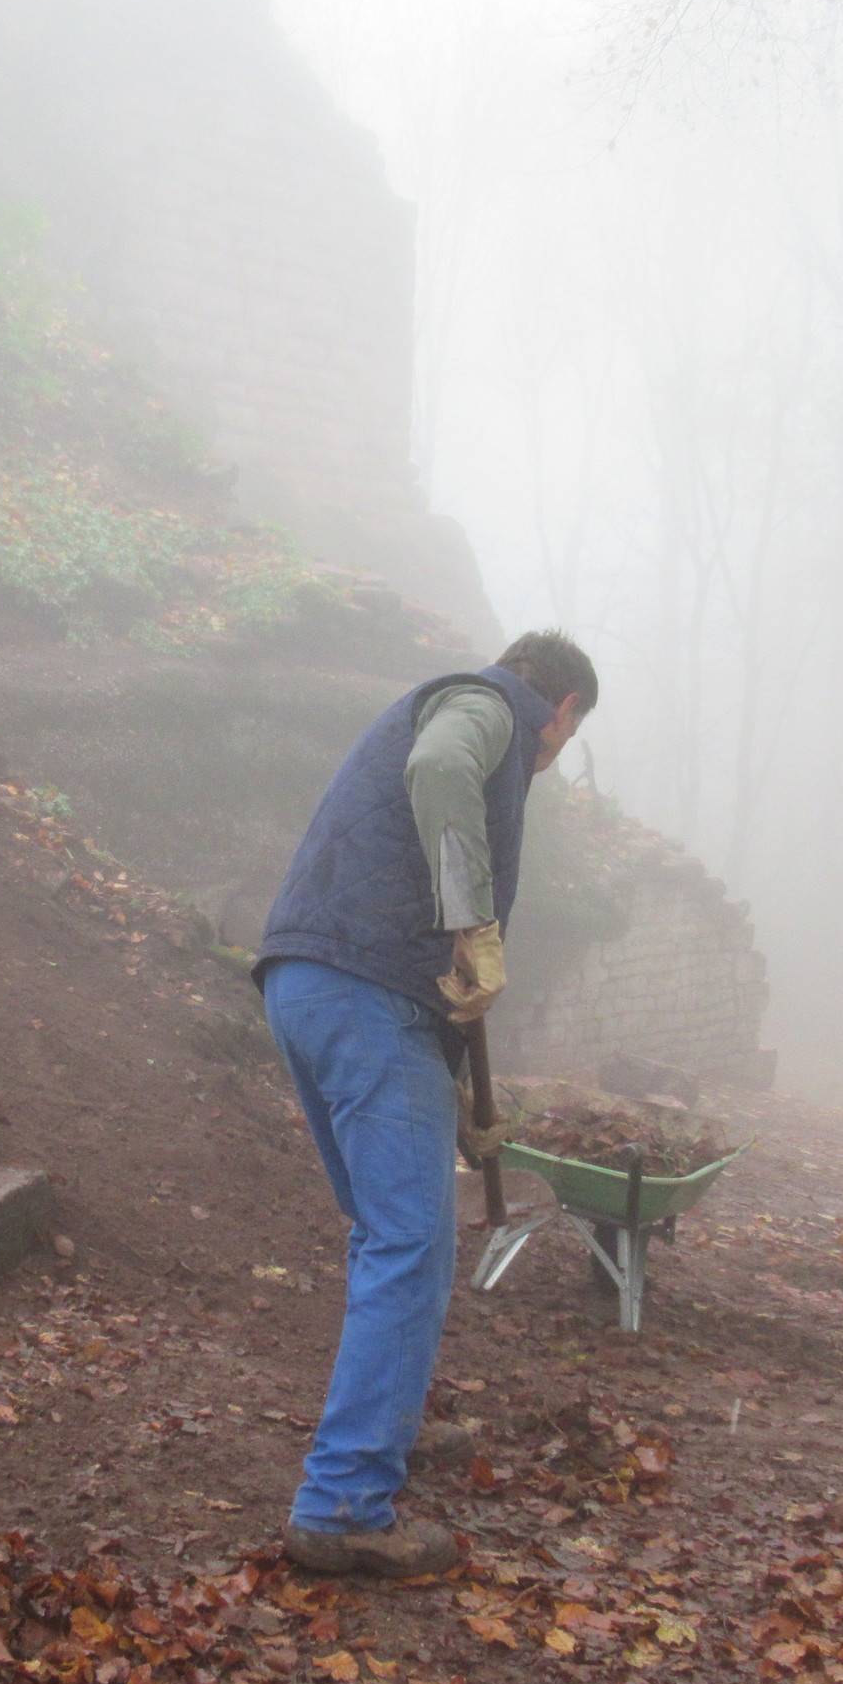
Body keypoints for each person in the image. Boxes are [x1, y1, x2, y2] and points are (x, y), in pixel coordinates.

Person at [255, 630, 597, 1578]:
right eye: (567, 739)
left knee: (392, 1231)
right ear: (564, 709)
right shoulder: (489, 708)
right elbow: (441, 768)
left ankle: (384, 1427)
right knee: (410, 1241)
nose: (553, 755)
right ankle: (343, 1505)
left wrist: (458, 1102)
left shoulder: (461, 711)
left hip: (310, 983)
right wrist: (476, 920)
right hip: (366, 994)